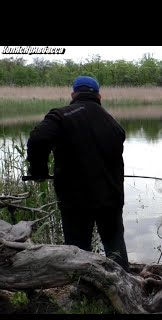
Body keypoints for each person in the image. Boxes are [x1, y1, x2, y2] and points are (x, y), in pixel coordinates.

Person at [26, 75, 130, 271]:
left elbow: (38, 138)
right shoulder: (112, 122)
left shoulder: (61, 116)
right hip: (111, 197)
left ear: (73, 94)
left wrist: (39, 170)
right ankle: (125, 283)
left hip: (76, 199)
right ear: (99, 95)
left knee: (78, 249)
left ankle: (83, 291)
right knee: (114, 245)